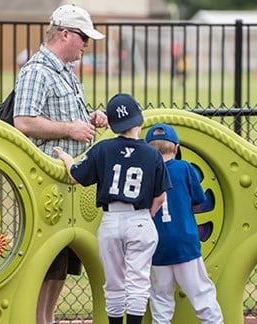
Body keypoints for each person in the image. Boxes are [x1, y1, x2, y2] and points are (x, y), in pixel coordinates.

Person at [12, 4, 107, 324]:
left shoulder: (65, 70)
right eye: (83, 38)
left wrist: (90, 118)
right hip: (45, 179)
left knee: (63, 261)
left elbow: (65, 116)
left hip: (69, 179)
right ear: (65, 34)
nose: (86, 45)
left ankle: (47, 319)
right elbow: (23, 121)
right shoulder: (37, 70)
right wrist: (70, 128)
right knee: (46, 258)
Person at [53, 93, 172, 324]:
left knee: (114, 284)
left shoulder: (103, 148)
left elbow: (77, 175)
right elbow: (161, 195)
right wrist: (147, 215)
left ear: (114, 124)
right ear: (139, 121)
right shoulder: (152, 154)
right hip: (139, 219)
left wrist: (67, 158)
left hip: (111, 221)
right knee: (138, 282)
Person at [145, 123, 223, 324]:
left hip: (158, 245)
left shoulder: (146, 173)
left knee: (161, 301)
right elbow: (199, 201)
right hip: (185, 242)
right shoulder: (185, 168)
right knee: (201, 294)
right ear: (176, 148)